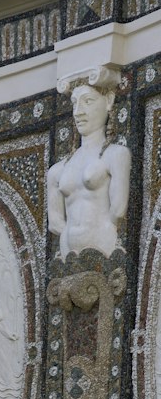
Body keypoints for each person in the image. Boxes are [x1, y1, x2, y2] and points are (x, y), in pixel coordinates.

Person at [48, 73, 130, 259]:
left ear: (108, 101)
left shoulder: (115, 154)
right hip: (67, 253)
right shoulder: (57, 170)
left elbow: (118, 209)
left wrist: (99, 231)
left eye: (88, 101)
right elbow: (55, 223)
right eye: (75, 103)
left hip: (103, 246)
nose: (78, 111)